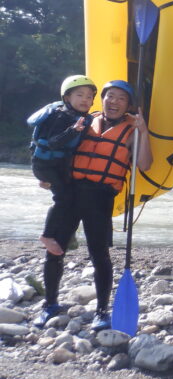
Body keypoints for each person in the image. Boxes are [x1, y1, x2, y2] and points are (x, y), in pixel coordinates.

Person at [34, 79, 153, 331]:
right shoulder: (85, 120)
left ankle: (101, 311)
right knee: (55, 251)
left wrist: (143, 130)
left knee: (100, 255)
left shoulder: (132, 130)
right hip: (71, 191)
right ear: (103, 99)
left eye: (121, 98)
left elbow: (144, 165)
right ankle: (50, 304)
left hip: (100, 198)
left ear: (128, 104)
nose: (114, 102)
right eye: (110, 96)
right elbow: (56, 145)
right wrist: (46, 175)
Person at [27, 75, 96, 258]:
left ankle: (67, 234)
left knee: (72, 197)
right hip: (47, 165)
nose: (85, 100)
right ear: (67, 98)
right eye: (80, 95)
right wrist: (73, 130)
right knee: (64, 198)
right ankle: (47, 235)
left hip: (55, 165)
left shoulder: (78, 116)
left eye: (89, 97)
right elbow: (53, 143)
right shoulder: (61, 115)